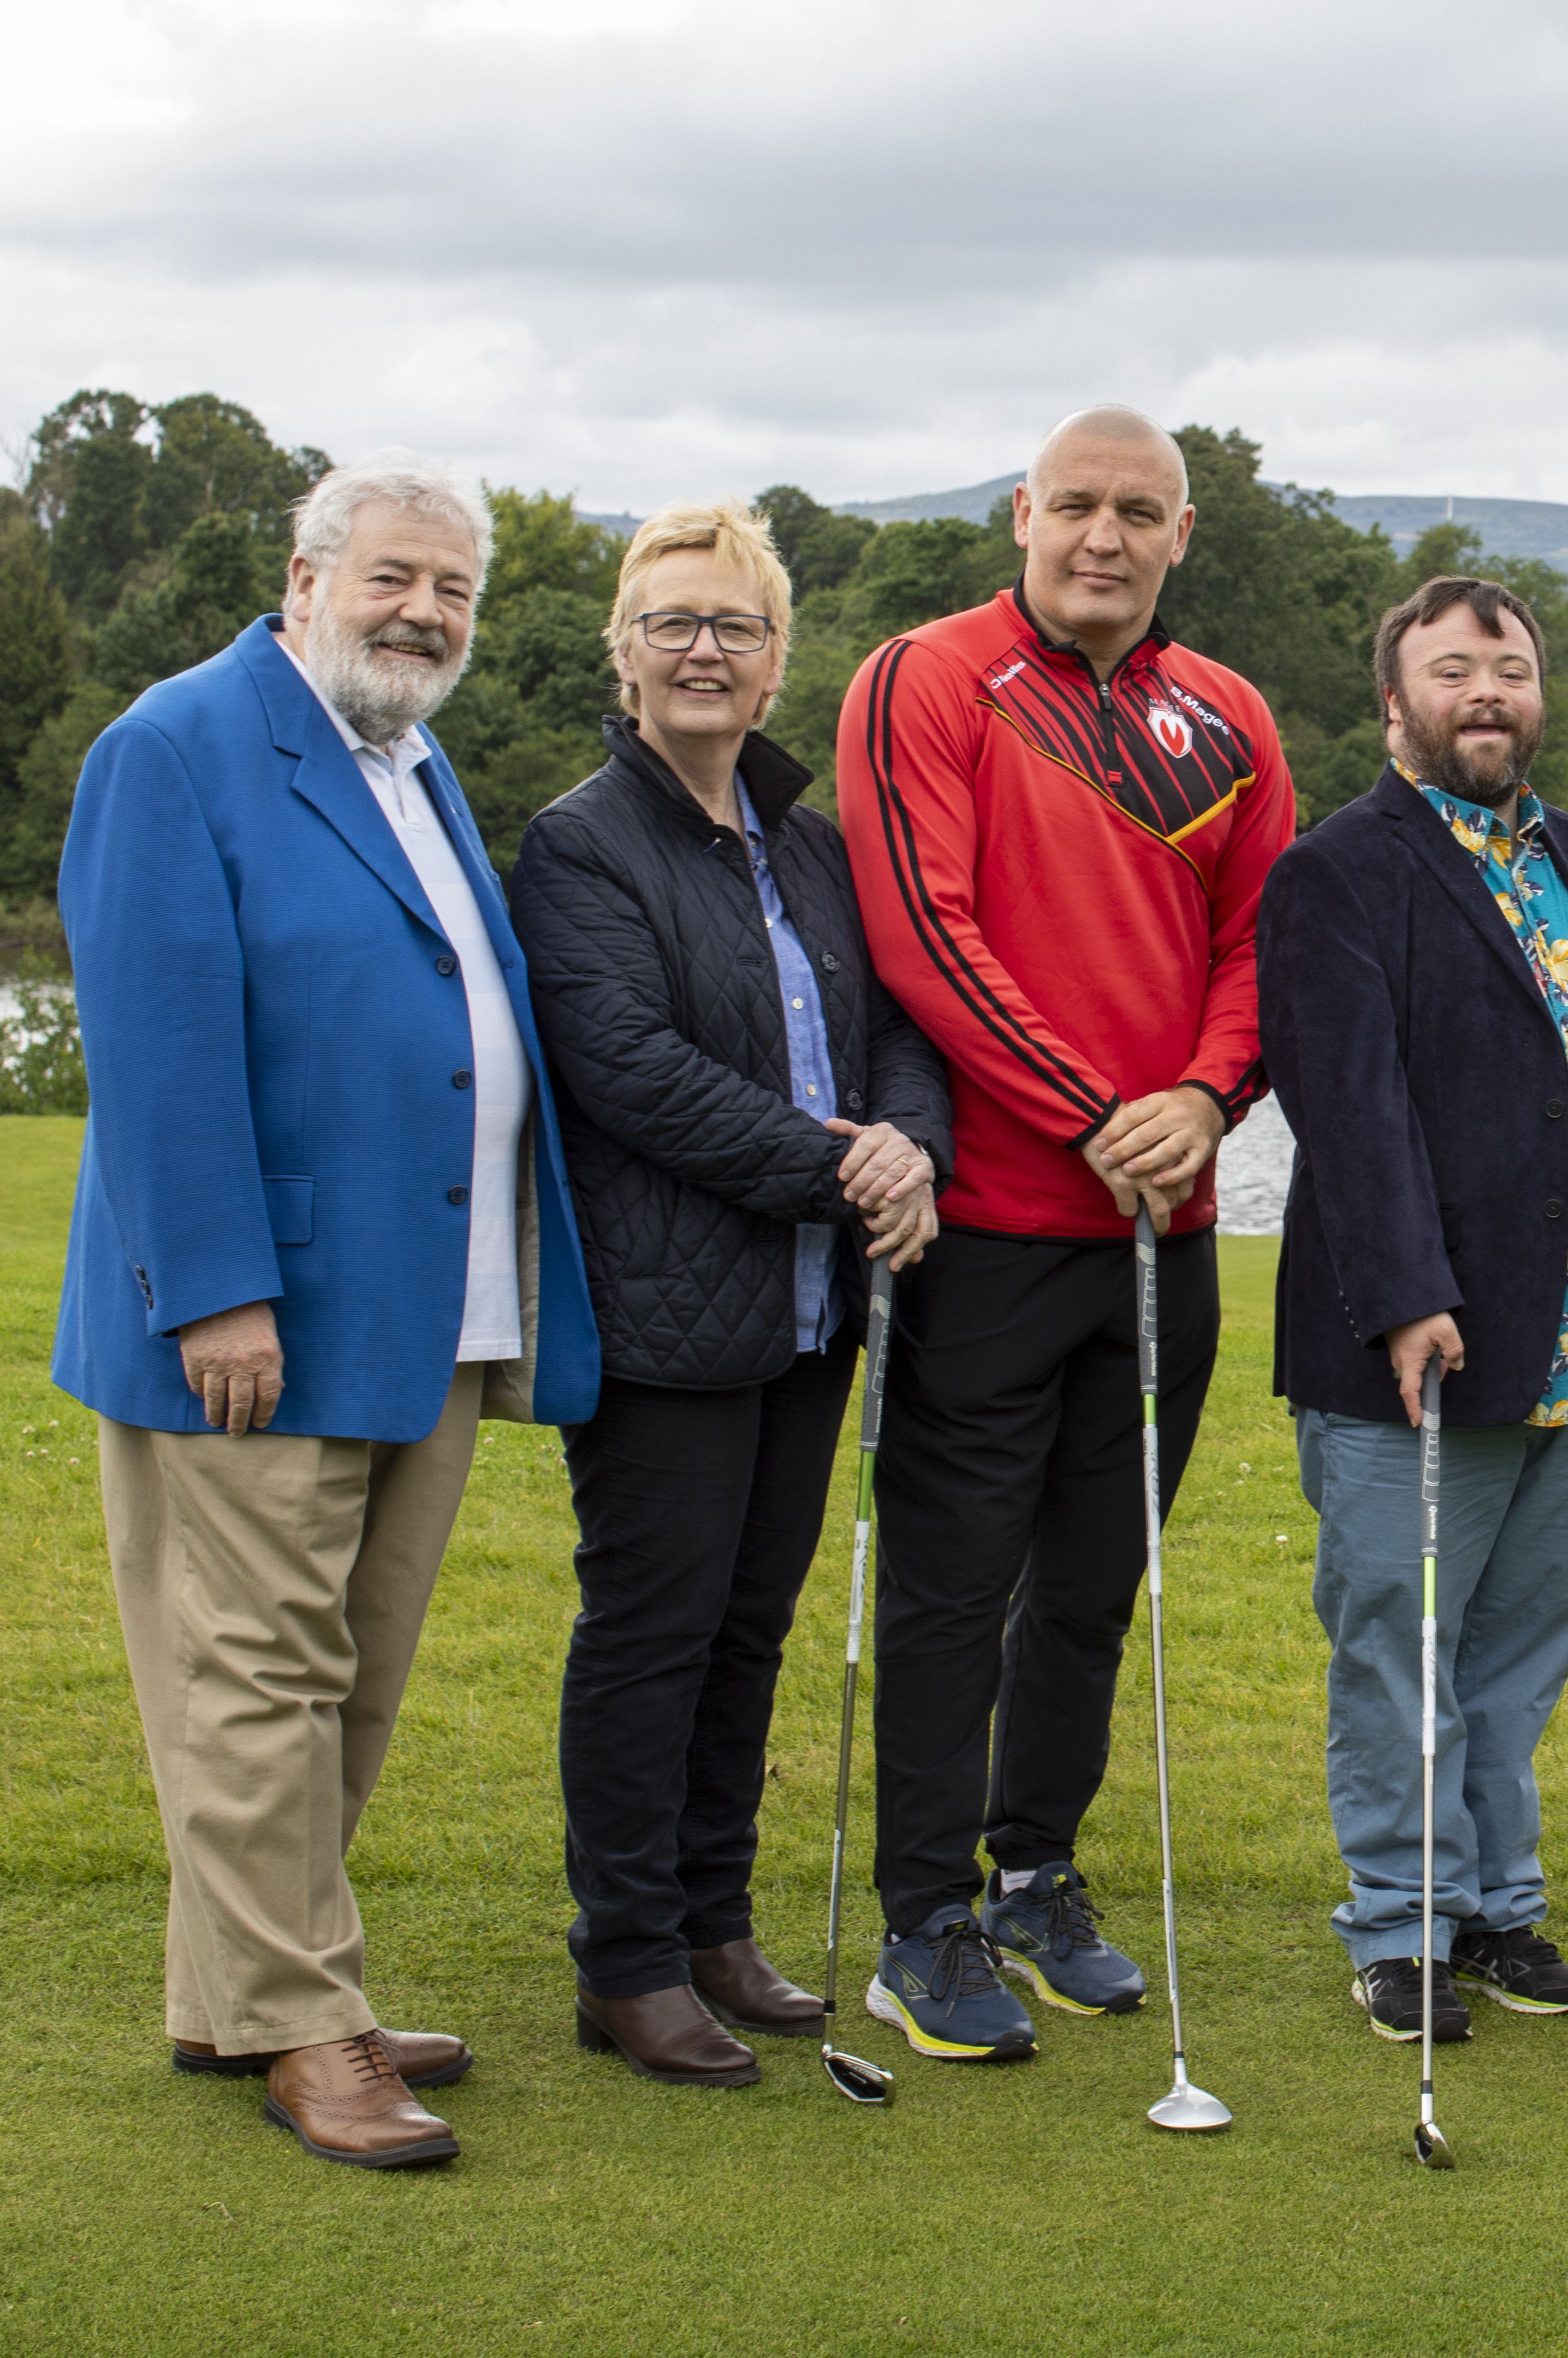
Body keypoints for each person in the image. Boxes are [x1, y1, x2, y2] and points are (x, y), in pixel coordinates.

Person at [53, 455, 601, 2170]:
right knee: (257, 1677)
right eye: (392, 580)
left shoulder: (407, 751)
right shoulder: (177, 747)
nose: (423, 613)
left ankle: (242, 1994)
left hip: (421, 1311)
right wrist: (214, 1292)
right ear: (304, 576)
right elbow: (155, 1052)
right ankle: (305, 2025)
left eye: (452, 591)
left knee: (339, 1679)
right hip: (258, 1318)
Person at [833, 405, 1294, 2060]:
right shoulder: (928, 676)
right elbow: (922, 933)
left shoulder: (1225, 711)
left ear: (1183, 536)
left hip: (1159, 1233)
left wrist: (1207, 1097)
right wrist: (1102, 1107)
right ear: (1023, 513)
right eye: (1076, 505)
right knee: (955, 1589)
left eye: (1139, 512)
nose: (1103, 535)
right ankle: (921, 1918)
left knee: (1095, 1587)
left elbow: (1263, 944)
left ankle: (1036, 1874)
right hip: (993, 1228)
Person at [508, 500, 954, 2089]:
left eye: (736, 626)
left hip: (805, 1313)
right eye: (672, 622)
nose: (704, 649)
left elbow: (901, 1026)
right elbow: (629, 1071)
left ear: (777, 666)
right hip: (665, 1316)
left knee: (747, 1628)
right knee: (654, 1629)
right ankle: (622, 1959)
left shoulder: (810, 841)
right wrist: (843, 1170)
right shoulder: (578, 846)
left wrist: (910, 1142)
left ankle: (711, 1923)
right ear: (623, 657)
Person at [1258, 575, 1568, 2041]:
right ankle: (1401, 1926)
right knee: (1402, 1643)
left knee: (1518, 1646)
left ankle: (1498, 1905)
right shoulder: (1339, 870)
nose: (1487, 691)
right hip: (1416, 1345)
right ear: (1397, 705)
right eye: (1453, 670)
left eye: (1509, 667)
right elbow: (1348, 1104)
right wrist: (1406, 1297)